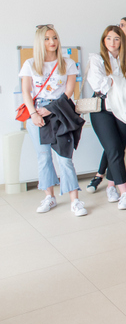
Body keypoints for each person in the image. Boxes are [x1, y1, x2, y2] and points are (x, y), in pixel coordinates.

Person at [19, 25, 87, 216]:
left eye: (55, 38)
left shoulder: (68, 63)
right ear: (39, 42)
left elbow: (68, 92)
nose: (52, 42)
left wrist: (50, 109)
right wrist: (34, 113)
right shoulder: (30, 64)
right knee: (44, 157)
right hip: (37, 112)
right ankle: (49, 197)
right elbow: (26, 91)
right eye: (47, 38)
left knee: (64, 158)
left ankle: (75, 201)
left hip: (60, 111)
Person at [88, 17, 126, 192]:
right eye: (109, 38)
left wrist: (115, 82)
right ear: (103, 40)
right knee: (113, 148)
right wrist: (122, 82)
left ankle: (111, 185)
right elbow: (99, 85)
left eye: (116, 38)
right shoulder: (97, 59)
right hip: (103, 107)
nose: (112, 42)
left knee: (119, 147)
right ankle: (122, 190)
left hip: (125, 106)